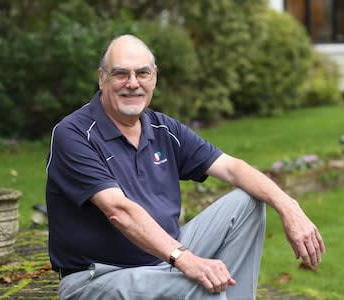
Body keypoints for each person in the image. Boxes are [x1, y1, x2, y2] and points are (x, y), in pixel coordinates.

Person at [45, 34, 325, 300]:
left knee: (247, 202)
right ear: (102, 78)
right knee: (201, 287)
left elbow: (232, 168)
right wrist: (185, 259)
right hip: (99, 278)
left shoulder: (163, 128)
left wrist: (290, 207)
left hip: (161, 259)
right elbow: (119, 211)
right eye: (121, 74)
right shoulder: (74, 134)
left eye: (142, 73)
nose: (133, 83)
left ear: (154, 77)